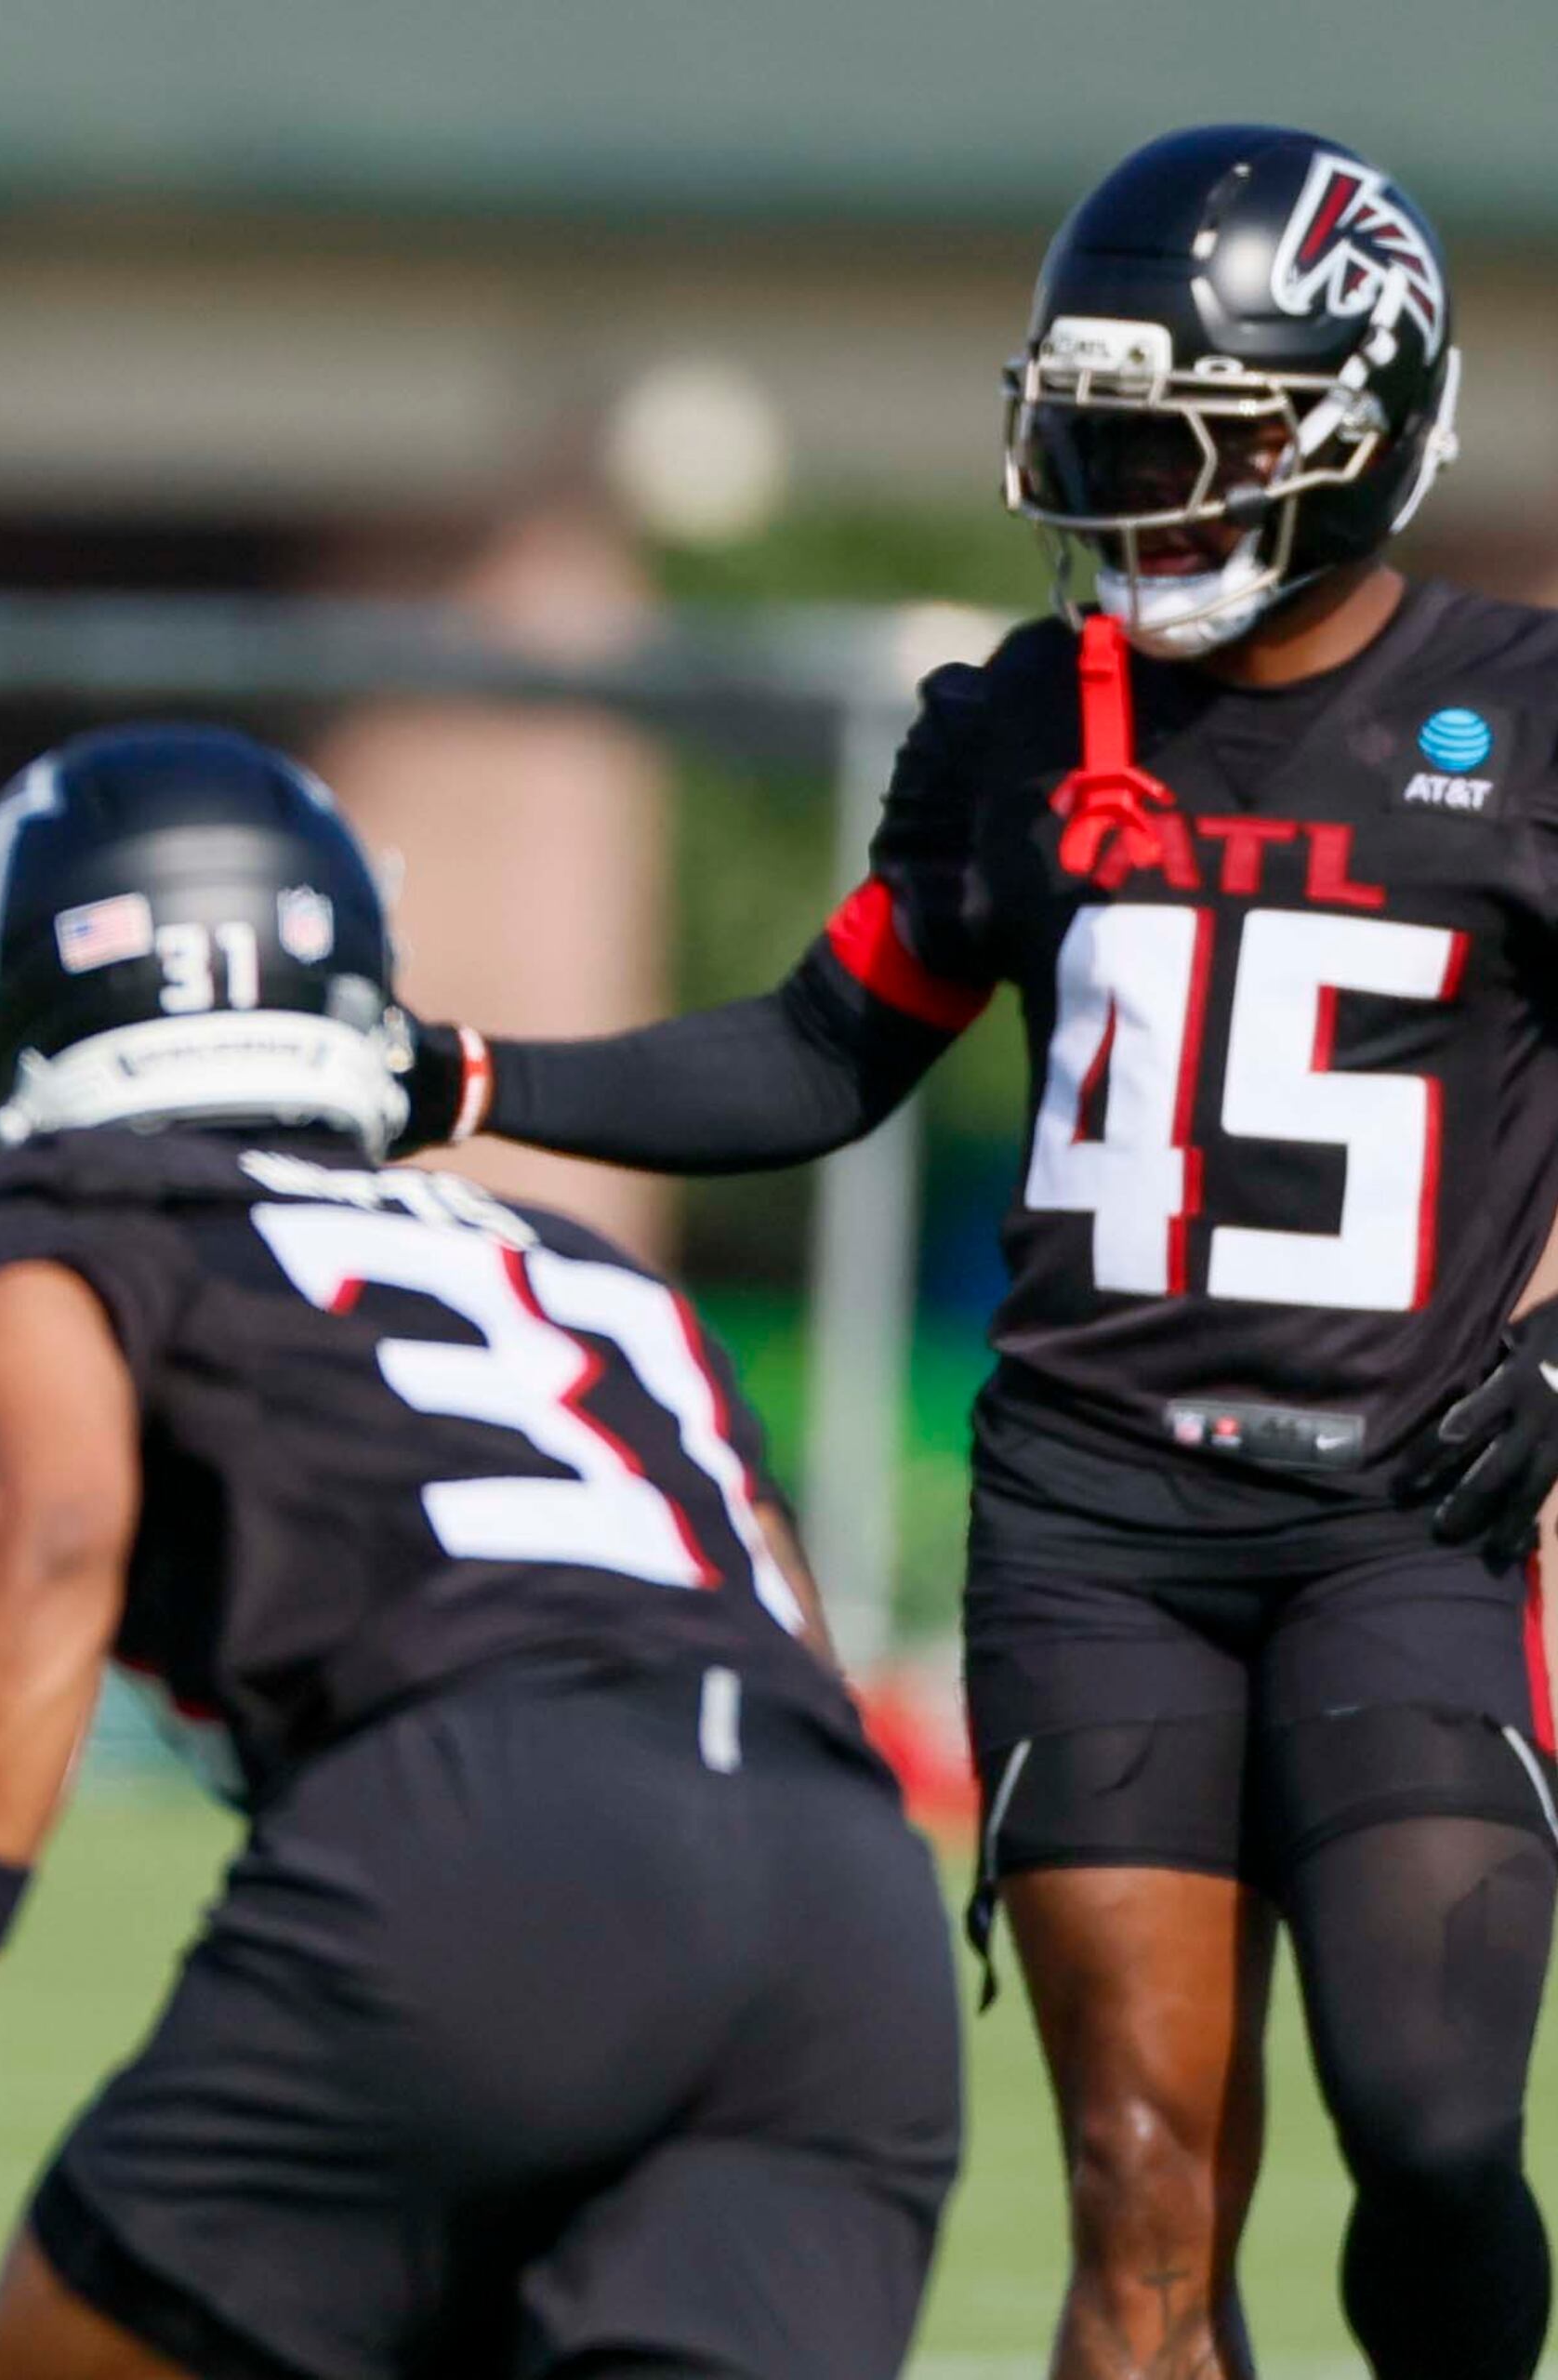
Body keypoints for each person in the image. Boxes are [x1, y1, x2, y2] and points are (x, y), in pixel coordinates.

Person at [400, 125, 1555, 2380]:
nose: (1136, 493)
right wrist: (458, 1075)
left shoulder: (1527, 709)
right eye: (1108, 436)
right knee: (1143, 2181)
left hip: (1402, 1514)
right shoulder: (1028, 716)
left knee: (1431, 2122)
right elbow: (822, 1051)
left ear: (1365, 430)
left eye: (1196, 446)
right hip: (1094, 1523)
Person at [0, 724, 961, 2375]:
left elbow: (49, 1527)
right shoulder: (576, 1263)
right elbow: (781, 1615)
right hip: (843, 1905)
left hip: (478, 1835)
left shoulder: (46, 1221)